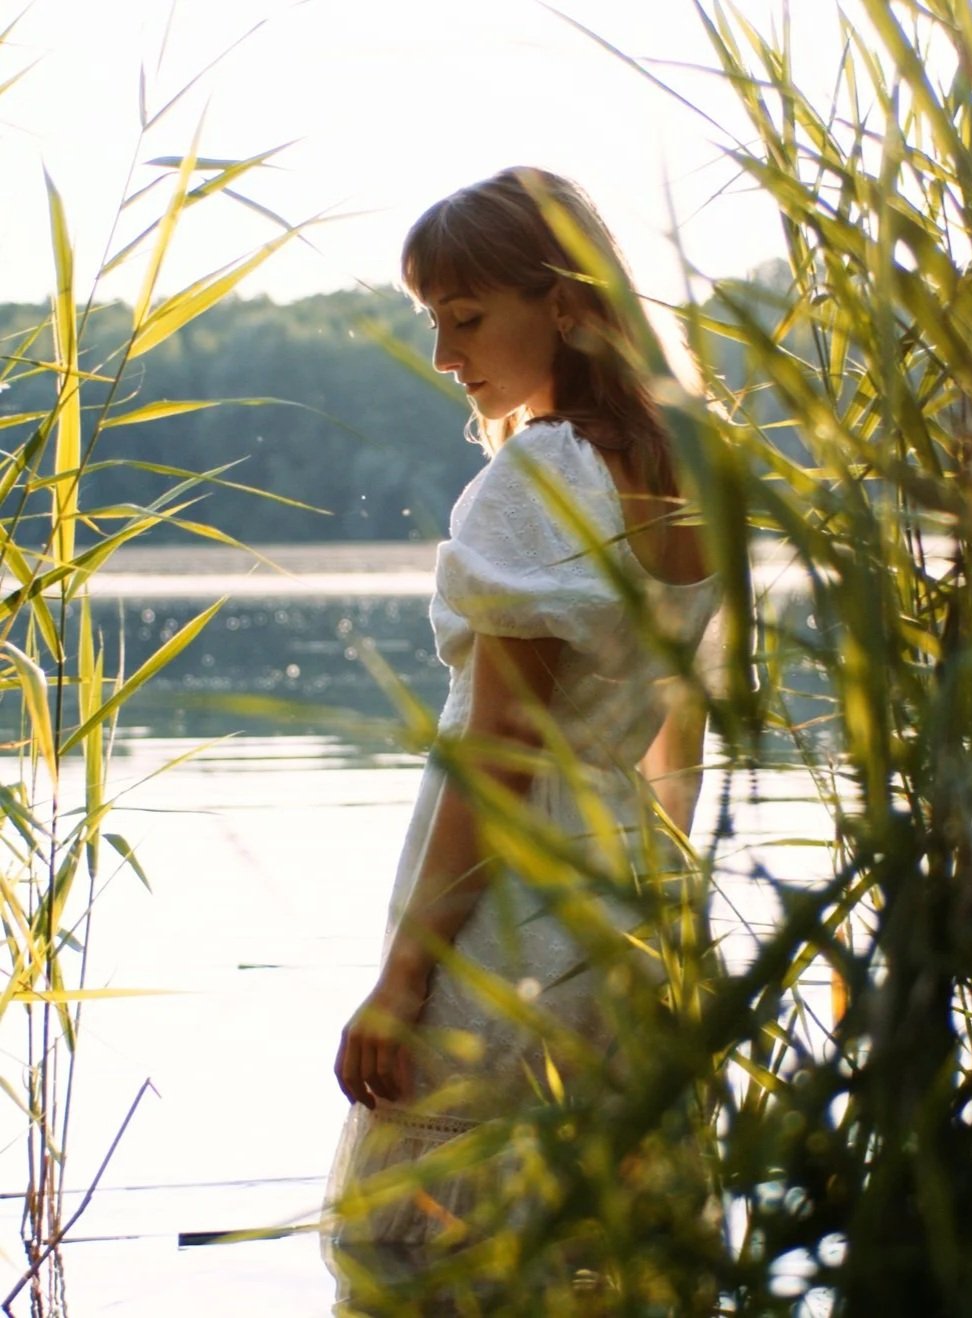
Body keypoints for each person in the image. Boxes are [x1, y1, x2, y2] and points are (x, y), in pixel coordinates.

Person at [322, 166, 726, 1311]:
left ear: (563, 301)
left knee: (410, 1255)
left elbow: (500, 753)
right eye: (432, 324)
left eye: (465, 317)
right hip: (629, 900)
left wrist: (403, 979)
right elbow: (676, 743)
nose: (447, 358)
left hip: (505, 923)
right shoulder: (690, 465)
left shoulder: (541, 472)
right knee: (605, 1254)